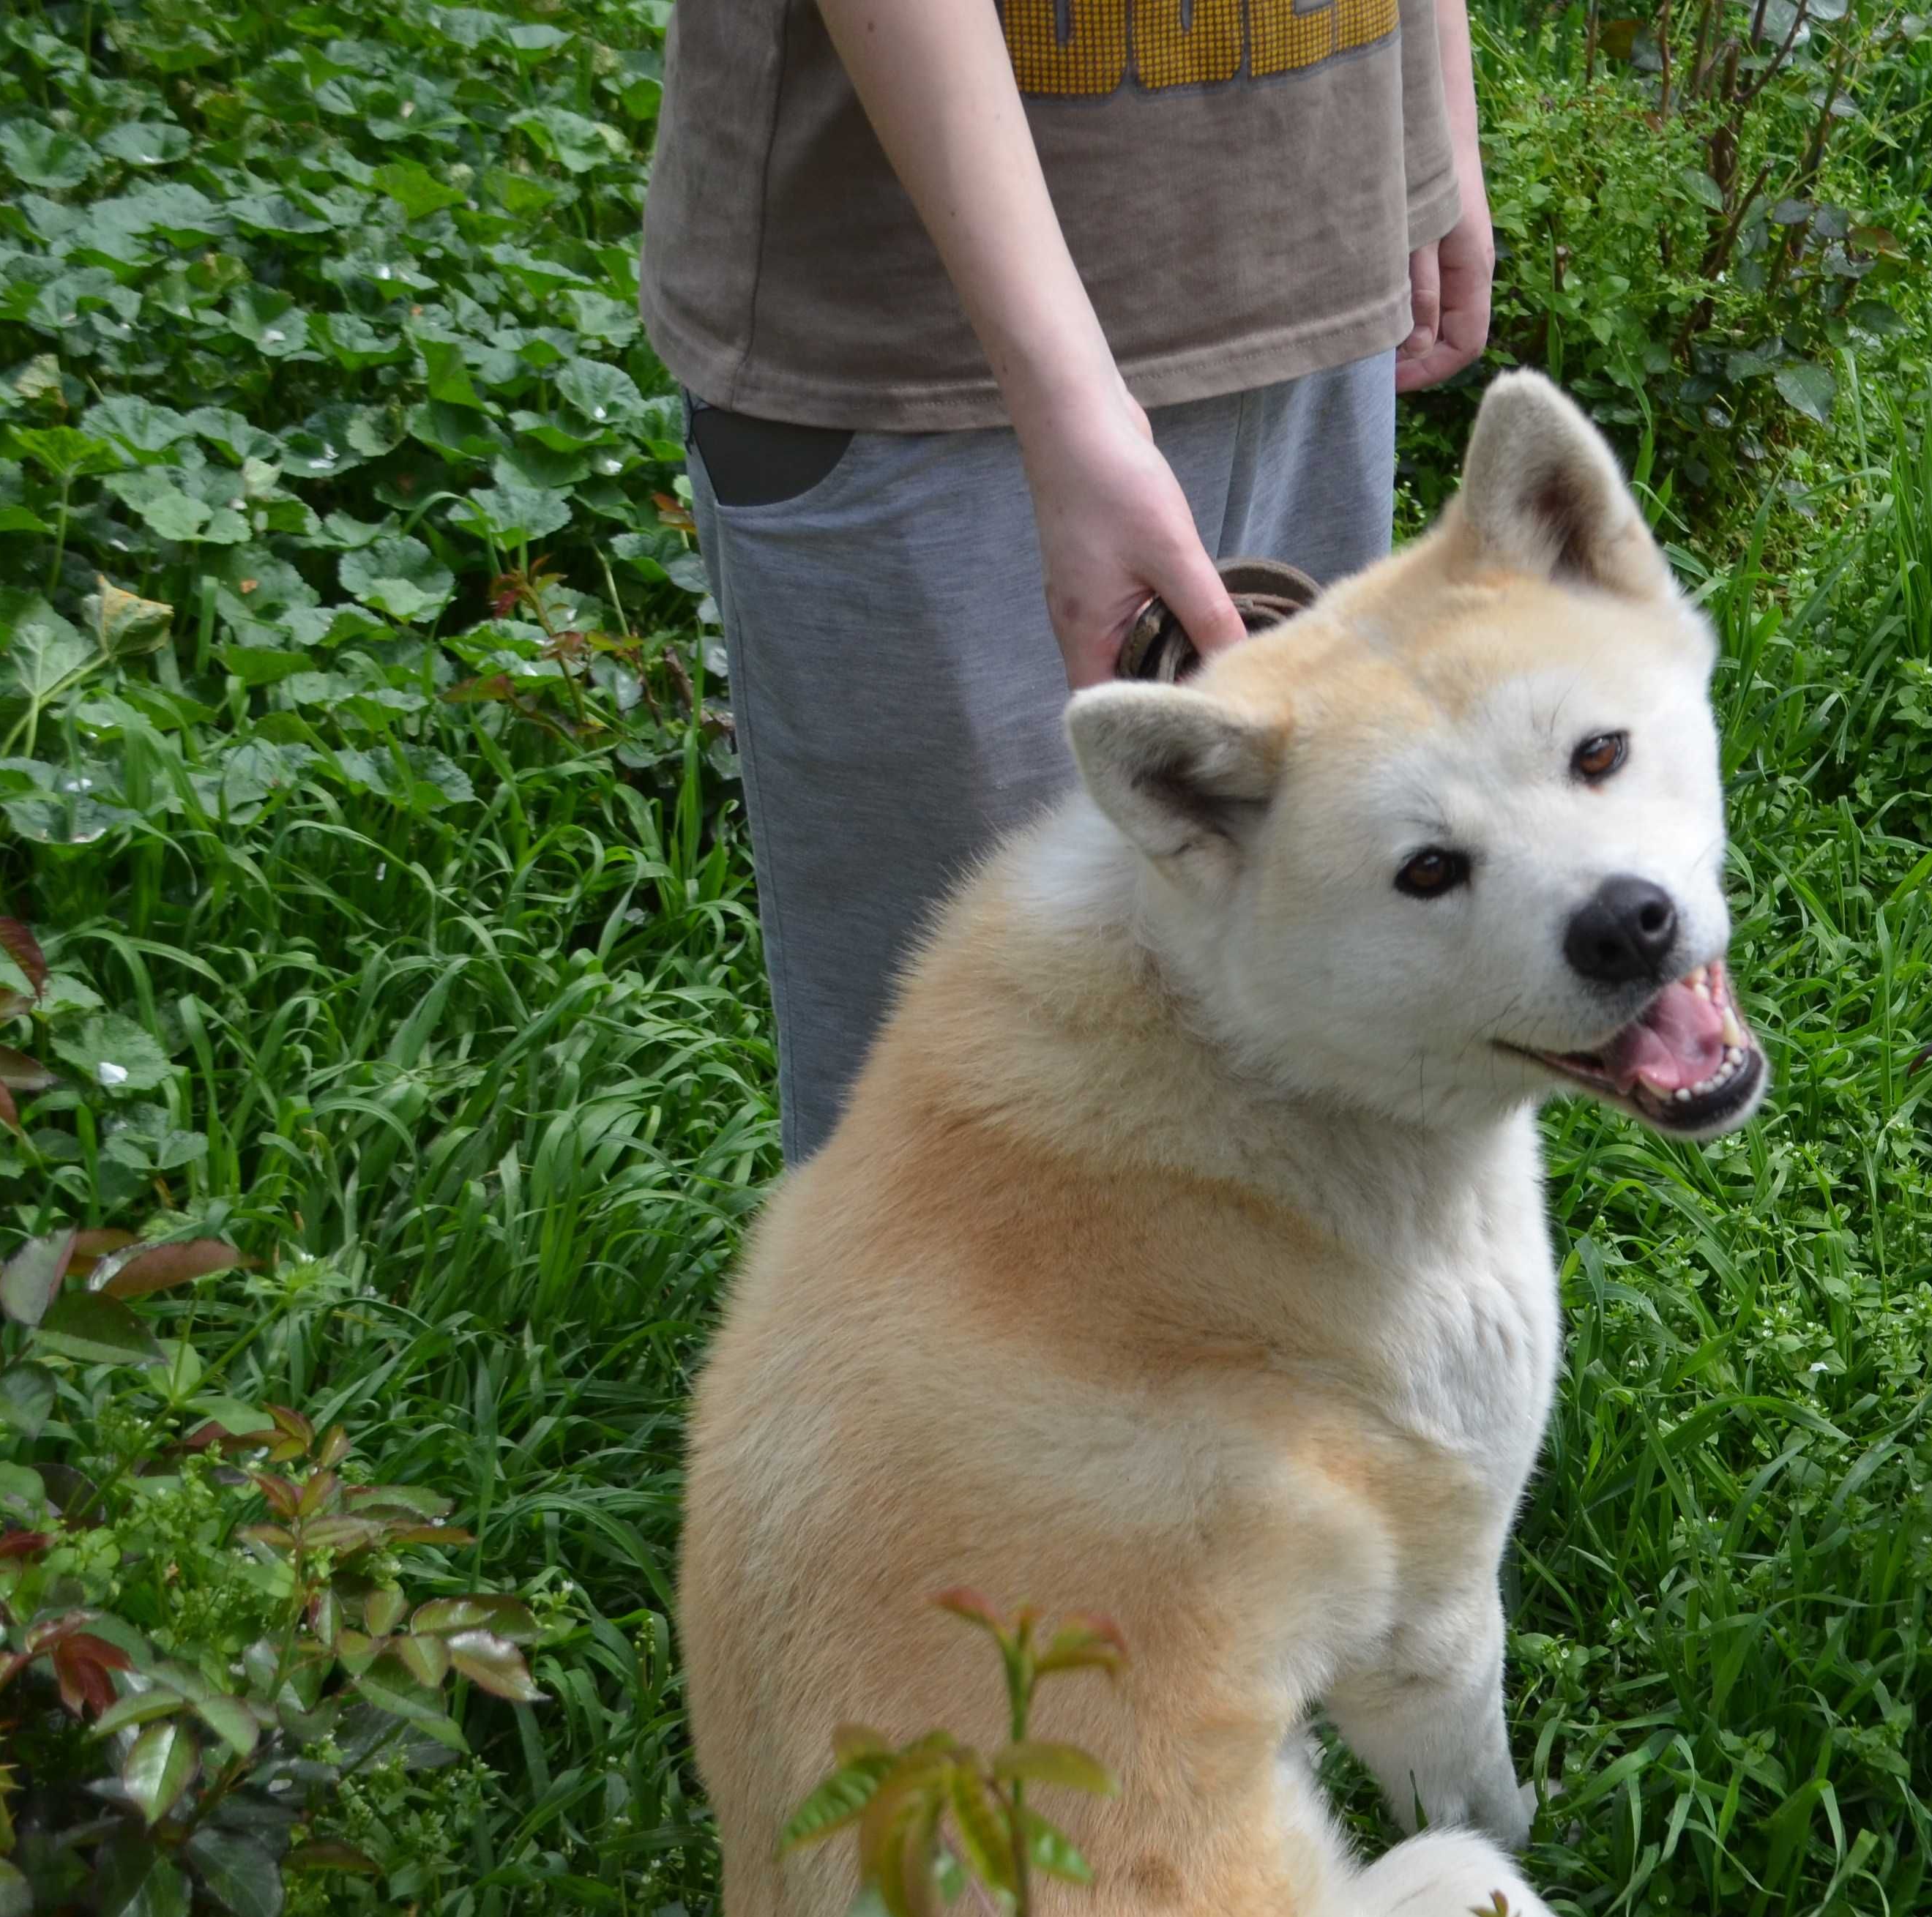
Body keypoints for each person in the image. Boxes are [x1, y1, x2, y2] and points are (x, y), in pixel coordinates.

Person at [638, 0, 1492, 1161]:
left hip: (1314, 229)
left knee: (1304, 1024)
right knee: (948, 1146)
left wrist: (1427, 109)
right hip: (922, 353)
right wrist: (1062, 396)